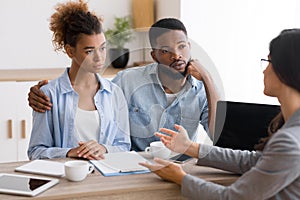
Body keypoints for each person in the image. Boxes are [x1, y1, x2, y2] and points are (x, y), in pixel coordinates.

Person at [140, 29, 300, 199]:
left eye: (268, 62)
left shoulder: (289, 142)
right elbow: (251, 161)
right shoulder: (290, 133)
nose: (264, 71)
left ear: (286, 70)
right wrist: (190, 147)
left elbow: (231, 198)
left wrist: (181, 178)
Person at [27, 18, 219, 151]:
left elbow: (218, 135)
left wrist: (209, 80)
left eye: (182, 46)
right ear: (154, 56)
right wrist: (43, 92)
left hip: (183, 170)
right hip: (137, 172)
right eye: (166, 50)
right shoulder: (127, 82)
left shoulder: (201, 91)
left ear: (189, 47)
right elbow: (94, 94)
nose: (176, 55)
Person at [28, 0, 131, 160]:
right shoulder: (48, 95)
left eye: (103, 48)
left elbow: (124, 146)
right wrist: (69, 152)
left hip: (106, 180)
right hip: (67, 180)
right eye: (89, 51)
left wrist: (104, 148)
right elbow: (35, 152)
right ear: (70, 51)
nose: (99, 58)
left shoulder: (114, 93)